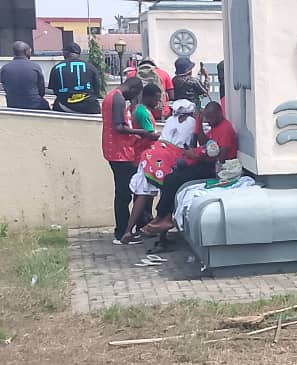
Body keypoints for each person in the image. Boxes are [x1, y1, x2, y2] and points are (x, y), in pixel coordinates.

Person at [144, 102, 238, 235]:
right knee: (170, 177)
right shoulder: (215, 126)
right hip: (205, 161)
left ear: (219, 113)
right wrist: (199, 122)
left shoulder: (225, 129)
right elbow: (205, 143)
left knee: (175, 179)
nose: (209, 122)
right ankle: (162, 215)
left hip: (214, 169)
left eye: (211, 118)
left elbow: (220, 159)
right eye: (207, 118)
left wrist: (196, 156)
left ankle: (165, 217)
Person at [122, 99, 197, 245]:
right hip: (170, 158)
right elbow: (190, 146)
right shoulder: (192, 123)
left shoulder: (170, 120)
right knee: (167, 192)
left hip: (152, 154)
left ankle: (128, 231)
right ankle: (162, 233)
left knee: (142, 193)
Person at [102, 77, 157, 245]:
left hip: (116, 151)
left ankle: (130, 228)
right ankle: (122, 233)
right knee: (124, 194)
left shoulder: (111, 96)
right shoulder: (118, 98)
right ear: (133, 90)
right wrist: (141, 133)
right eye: (135, 94)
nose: (134, 98)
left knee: (125, 192)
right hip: (120, 153)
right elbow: (118, 127)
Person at [48, 43, 102, 114]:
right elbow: (97, 90)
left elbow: (54, 90)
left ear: (65, 53)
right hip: (89, 107)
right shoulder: (91, 67)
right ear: (79, 54)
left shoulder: (56, 68)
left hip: (63, 107)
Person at [0, 41, 50, 110]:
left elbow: (5, 88)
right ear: (26, 52)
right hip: (35, 105)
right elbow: (42, 92)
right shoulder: (35, 67)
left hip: (13, 105)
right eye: (30, 51)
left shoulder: (5, 68)